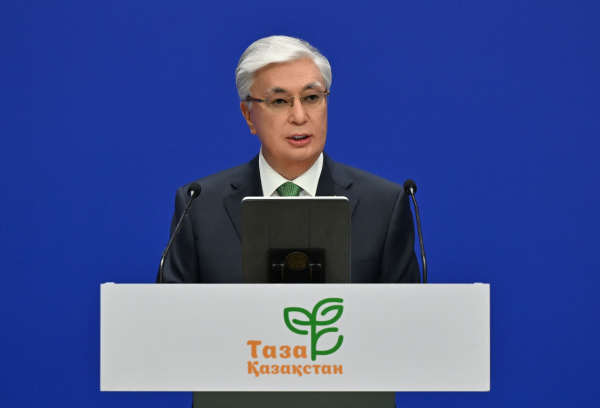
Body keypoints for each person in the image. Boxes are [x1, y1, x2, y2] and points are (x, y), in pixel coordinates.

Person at [158, 35, 420, 284]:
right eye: (280, 101)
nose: (299, 116)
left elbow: (405, 312)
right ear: (248, 116)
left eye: (311, 98)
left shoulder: (384, 206)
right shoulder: (199, 207)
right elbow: (170, 309)